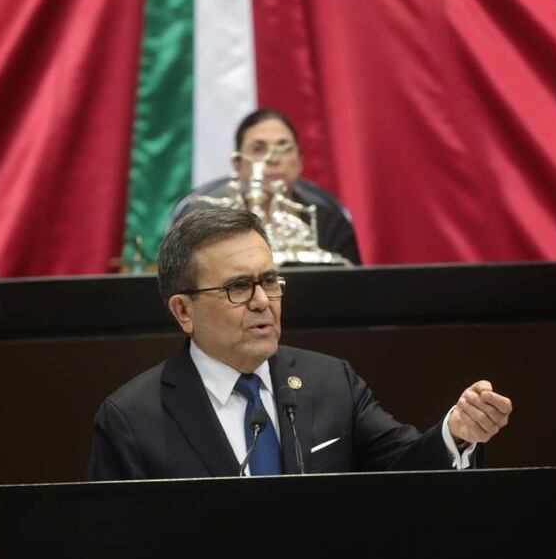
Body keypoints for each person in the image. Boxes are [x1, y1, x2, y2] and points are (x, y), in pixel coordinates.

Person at [88, 207, 512, 480]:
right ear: (184, 311)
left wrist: (455, 433)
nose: (261, 302)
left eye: (269, 281)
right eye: (238, 287)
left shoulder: (331, 383)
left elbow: (403, 469)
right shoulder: (133, 419)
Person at [168, 109, 362, 264]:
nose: (273, 159)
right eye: (259, 149)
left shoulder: (327, 216)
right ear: (238, 164)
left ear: (300, 161)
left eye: (283, 147)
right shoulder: (201, 216)